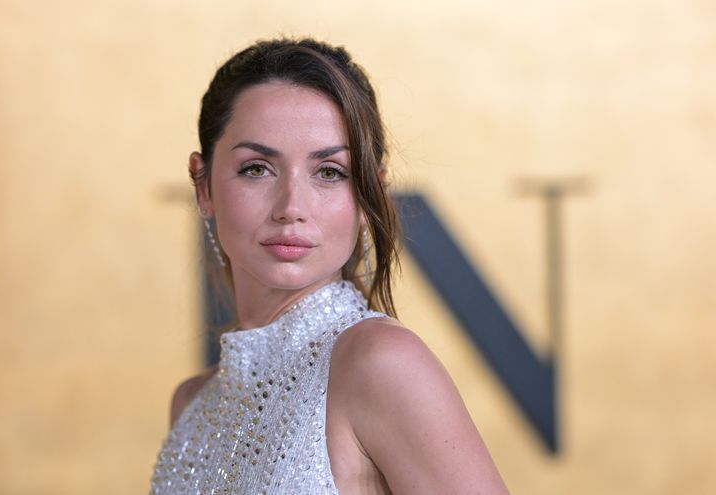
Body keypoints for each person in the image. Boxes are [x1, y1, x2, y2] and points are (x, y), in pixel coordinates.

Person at [150, 38, 509, 494]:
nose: (291, 208)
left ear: (370, 192)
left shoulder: (381, 363)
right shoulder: (191, 405)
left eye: (330, 172)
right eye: (257, 168)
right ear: (203, 186)